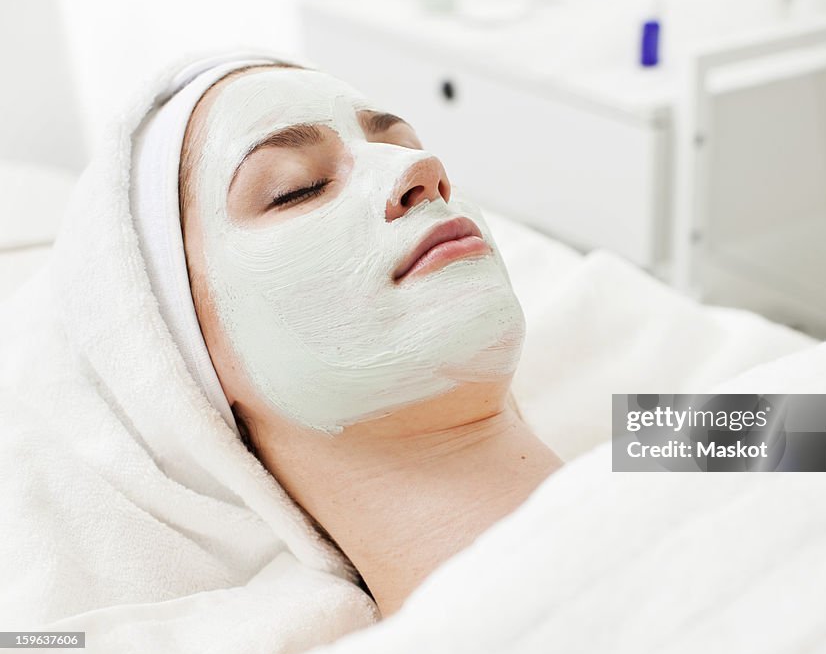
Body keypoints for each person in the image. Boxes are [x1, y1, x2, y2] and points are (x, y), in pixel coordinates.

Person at [167, 60, 562, 616]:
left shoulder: (686, 441)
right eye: (296, 189)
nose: (424, 169)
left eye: (402, 146)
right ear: (185, 361)